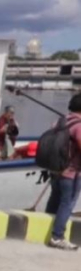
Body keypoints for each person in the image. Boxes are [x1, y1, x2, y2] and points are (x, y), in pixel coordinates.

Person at [44, 94, 81, 251]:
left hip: (55, 170)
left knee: (54, 200)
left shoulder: (60, 121)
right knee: (67, 202)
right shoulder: (79, 125)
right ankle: (57, 236)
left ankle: (45, 229)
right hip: (72, 172)